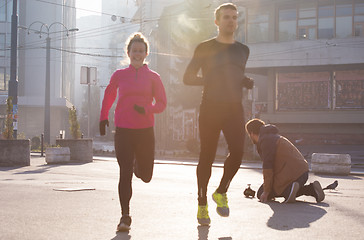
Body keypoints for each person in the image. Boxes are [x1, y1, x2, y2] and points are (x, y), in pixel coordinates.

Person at [183, 3, 254, 226]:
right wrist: (209, 80)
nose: (231, 21)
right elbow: (188, 78)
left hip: (234, 108)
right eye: (226, 17)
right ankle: (202, 203)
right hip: (211, 107)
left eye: (234, 17)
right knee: (207, 157)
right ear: (217, 22)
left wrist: (243, 81)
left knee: (239, 152)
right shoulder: (205, 47)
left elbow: (234, 76)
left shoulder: (243, 50)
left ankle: (221, 191)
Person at [99, 33, 167, 232]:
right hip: (124, 130)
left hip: (145, 130)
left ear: (146, 53)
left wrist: (147, 109)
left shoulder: (154, 77)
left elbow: (162, 103)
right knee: (124, 172)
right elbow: (109, 95)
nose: (137, 54)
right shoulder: (119, 75)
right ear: (128, 53)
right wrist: (103, 116)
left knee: (145, 176)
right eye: (134, 50)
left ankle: (139, 164)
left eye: (141, 51)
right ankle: (125, 216)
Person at [245, 118, 325, 204]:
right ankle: (311, 189)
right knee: (270, 189)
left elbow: (268, 167)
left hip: (292, 174)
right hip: (302, 172)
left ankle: (291, 190)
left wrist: (267, 191)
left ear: (252, 133)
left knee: (262, 193)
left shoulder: (265, 141)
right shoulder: (273, 137)